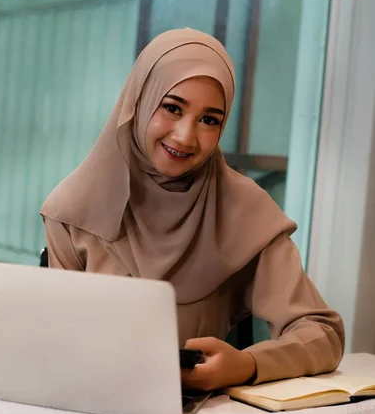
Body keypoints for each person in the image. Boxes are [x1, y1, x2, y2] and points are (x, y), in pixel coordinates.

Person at [40, 28, 345, 391]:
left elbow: (322, 334)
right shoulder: (75, 209)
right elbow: (54, 342)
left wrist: (247, 364)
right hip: (88, 412)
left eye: (209, 120)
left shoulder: (245, 211)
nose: (185, 136)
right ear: (140, 102)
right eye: (172, 108)